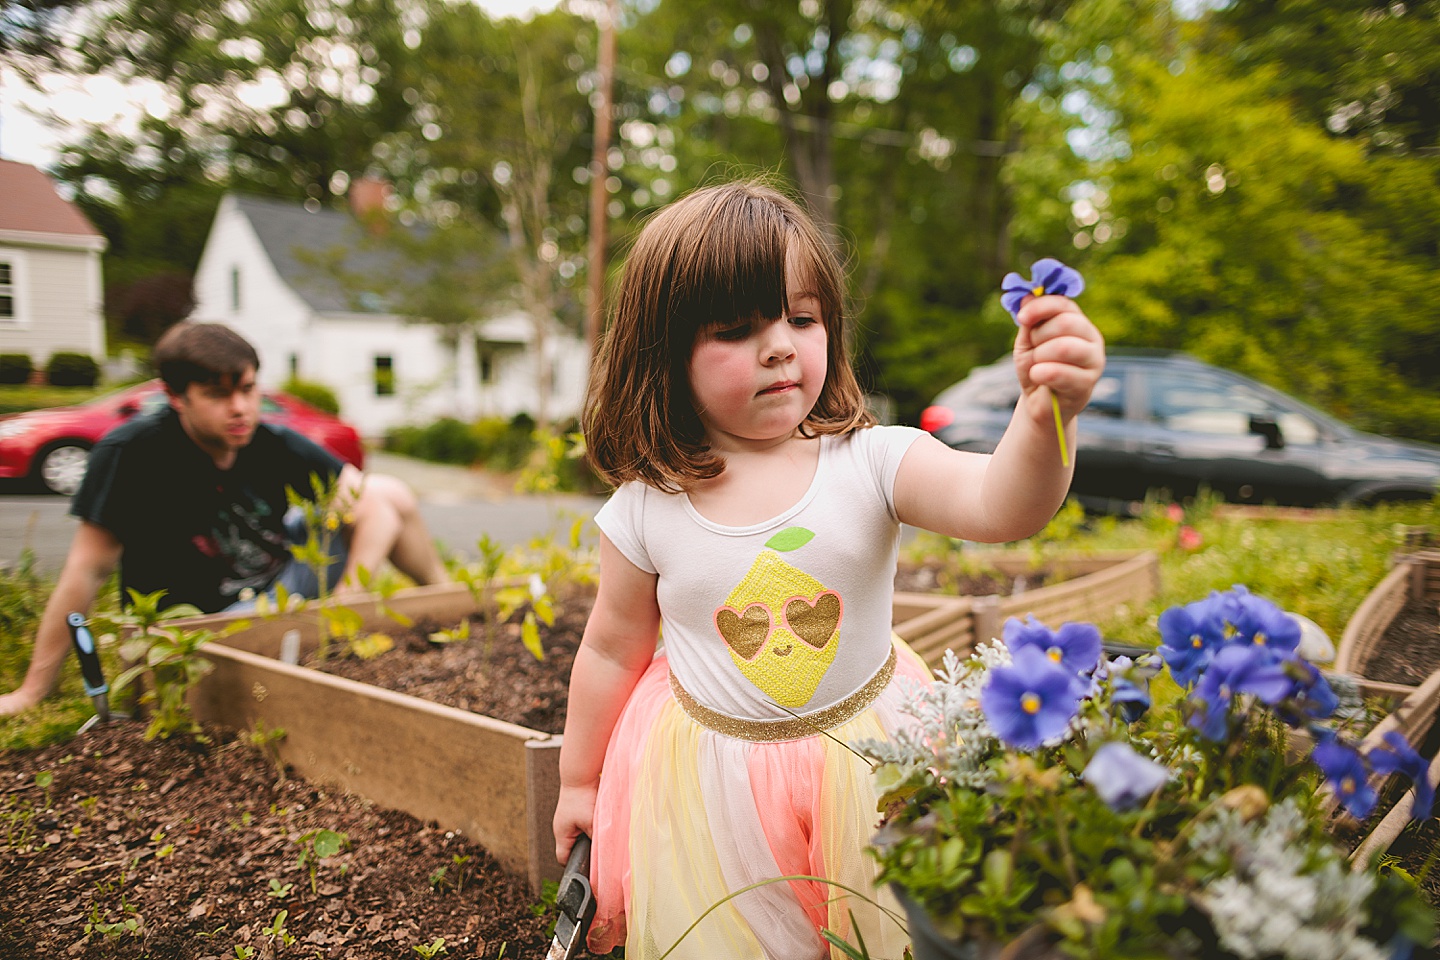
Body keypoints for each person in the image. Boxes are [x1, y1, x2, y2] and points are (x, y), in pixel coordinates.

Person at [552, 181, 1106, 959]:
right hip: (712, 784)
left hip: (871, 763)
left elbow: (1001, 505)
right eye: (737, 329)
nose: (780, 344)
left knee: (885, 926)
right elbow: (612, 649)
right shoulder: (648, 506)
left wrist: (1048, 411)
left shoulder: (872, 462)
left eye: (801, 318)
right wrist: (580, 782)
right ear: (663, 351)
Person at [0, 322, 449, 716]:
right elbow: (87, 569)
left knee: (387, 491)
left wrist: (350, 596)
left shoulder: (271, 440)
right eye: (218, 394)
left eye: (248, 389)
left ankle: (451, 606)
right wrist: (32, 690)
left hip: (282, 584)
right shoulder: (131, 453)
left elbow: (377, 510)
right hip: (201, 619)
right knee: (379, 497)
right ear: (175, 397)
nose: (240, 408)